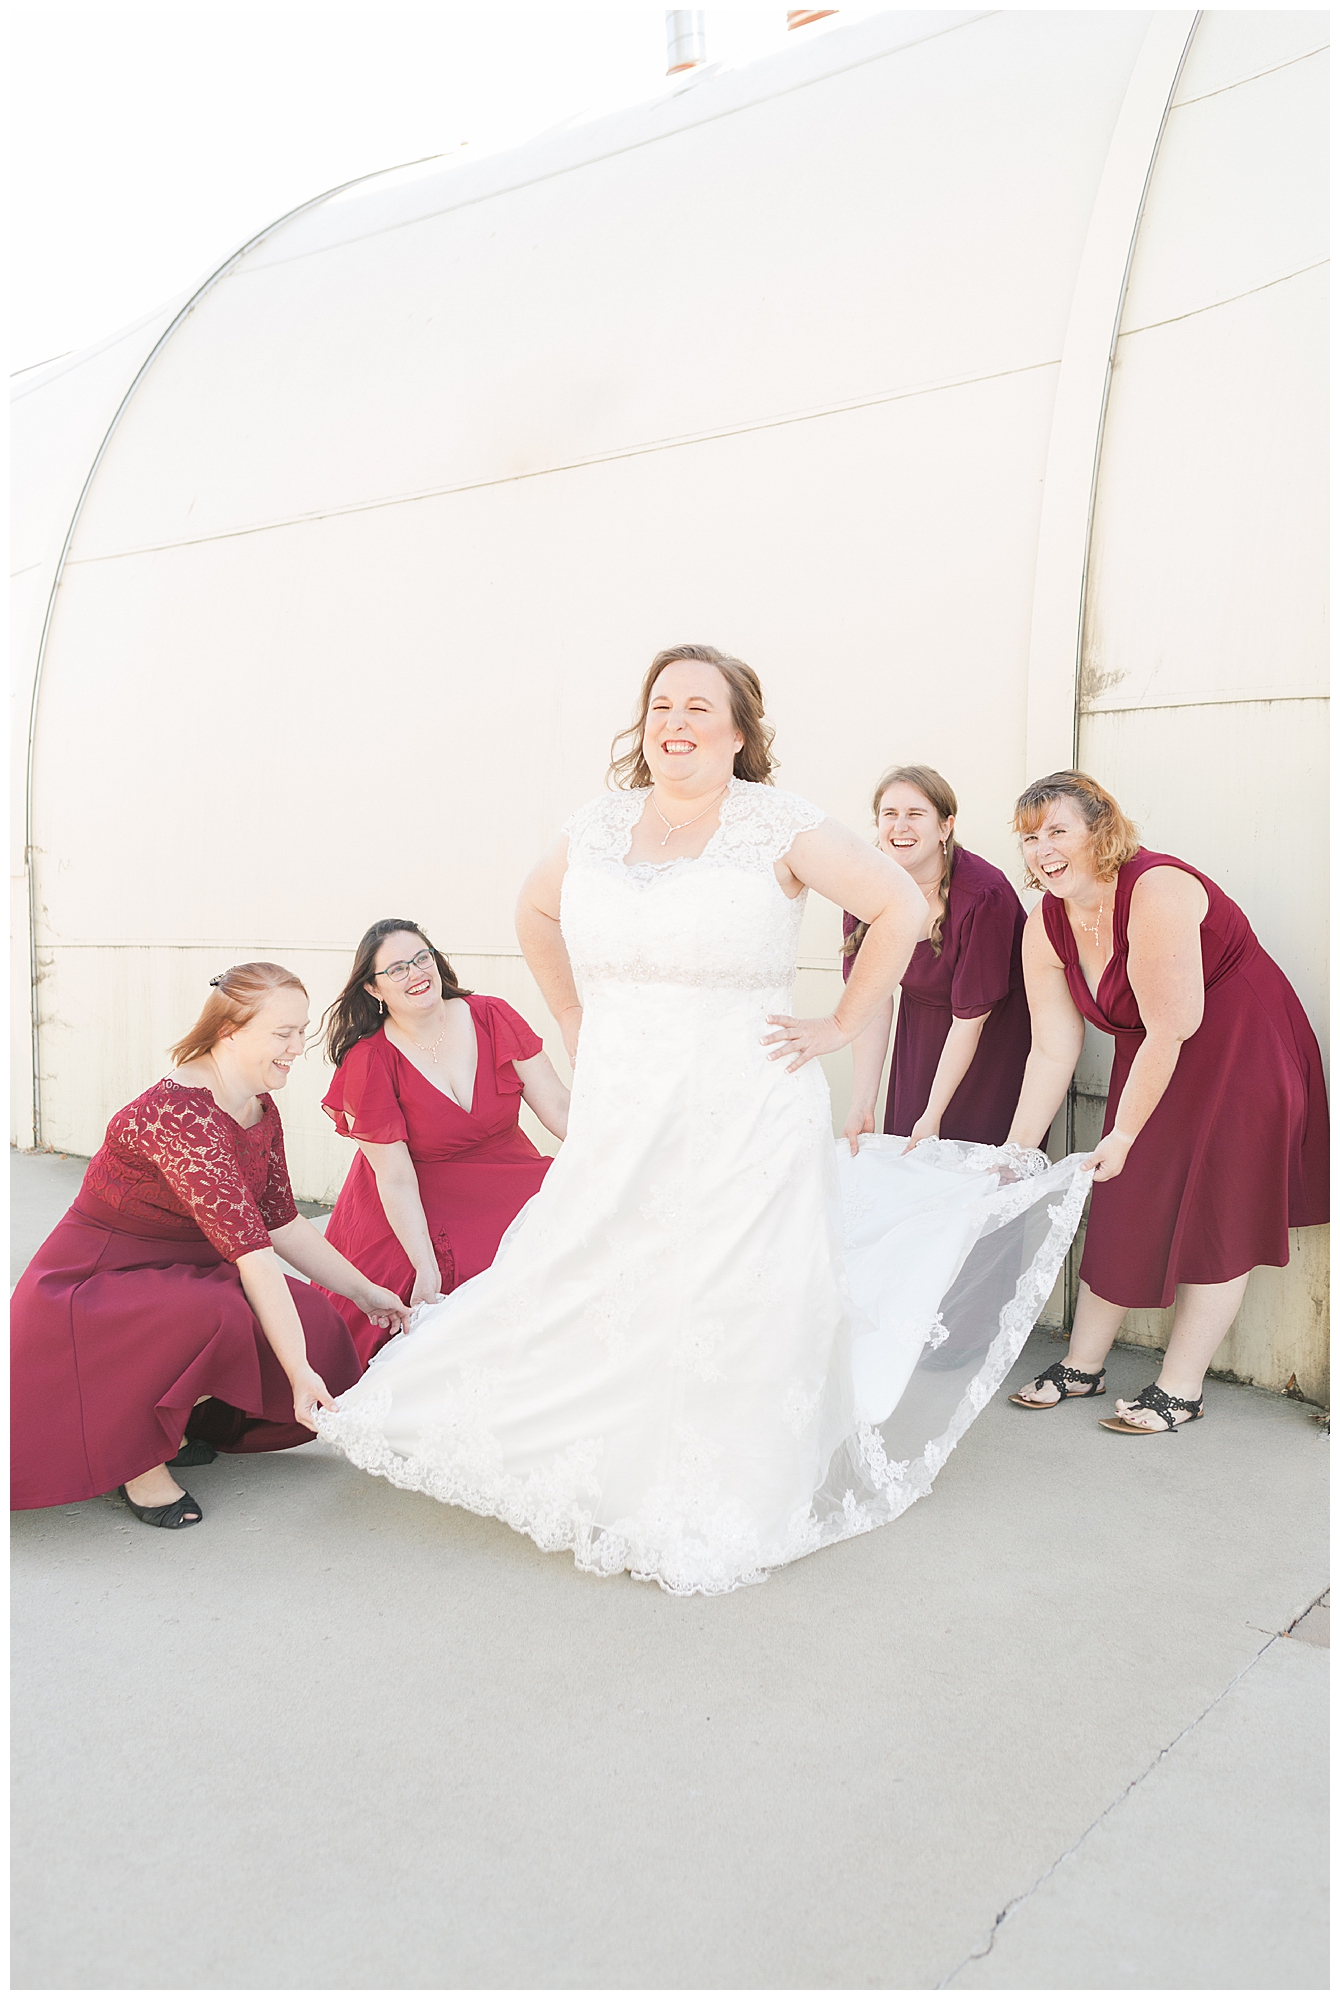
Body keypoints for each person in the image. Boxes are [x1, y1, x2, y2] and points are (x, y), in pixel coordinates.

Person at [316, 646, 1089, 1593]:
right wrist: (570, 1016)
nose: (674, 723)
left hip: (746, 1100)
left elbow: (892, 905)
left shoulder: (777, 823)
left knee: (730, 1288)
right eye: (660, 707)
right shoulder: (598, 824)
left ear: (737, 731)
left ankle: (716, 1484)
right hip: (627, 1095)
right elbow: (532, 910)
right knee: (599, 1261)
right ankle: (589, 1445)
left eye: (697, 708)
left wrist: (842, 1024)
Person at [11, 963, 411, 1527]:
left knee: (316, 1321)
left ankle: (178, 1422)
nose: (299, 1047)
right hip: (89, 1287)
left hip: (181, 1267)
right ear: (230, 1031)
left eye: (303, 1031)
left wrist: (367, 1294)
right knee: (220, 1311)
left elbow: (283, 1224)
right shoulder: (181, 1114)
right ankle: (138, 1463)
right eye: (283, 1034)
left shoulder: (257, 1104)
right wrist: (297, 1374)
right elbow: (255, 1259)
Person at [1004, 772, 1329, 1433]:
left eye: (1058, 830)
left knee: (1222, 1212)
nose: (1043, 849)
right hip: (1154, 1052)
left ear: (1103, 831)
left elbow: (1172, 1027)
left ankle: (1180, 1389)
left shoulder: (1156, 888)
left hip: (1243, 1047)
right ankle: (1083, 1365)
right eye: (1031, 837)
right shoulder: (1046, 924)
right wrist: (1017, 1150)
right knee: (1123, 1195)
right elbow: (1052, 1052)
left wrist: (1123, 1133)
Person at [316, 921, 568, 1364]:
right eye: (396, 969)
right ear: (374, 990)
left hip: (508, 1177)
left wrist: (623, 1152)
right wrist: (425, 1266)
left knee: (567, 1251)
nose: (415, 973)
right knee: (434, 1295)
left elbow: (561, 1111)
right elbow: (394, 1178)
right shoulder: (369, 1060)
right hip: (416, 1194)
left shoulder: (493, 1015)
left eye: (421, 958)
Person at [841, 765, 1030, 1152]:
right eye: (889, 814)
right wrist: (863, 1101)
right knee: (908, 1161)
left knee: (965, 1163)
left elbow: (971, 1020)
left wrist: (933, 1114)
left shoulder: (983, 895)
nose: (900, 827)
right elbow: (871, 1003)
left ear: (945, 827)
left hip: (991, 1038)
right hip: (921, 1037)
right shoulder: (865, 888)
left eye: (916, 814)